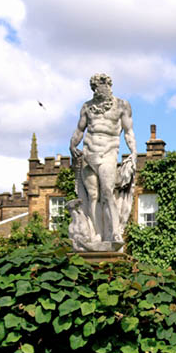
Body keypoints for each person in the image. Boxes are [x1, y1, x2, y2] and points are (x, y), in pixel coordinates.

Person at [69, 73, 137, 249]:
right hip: (88, 153)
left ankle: (114, 231)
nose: (100, 90)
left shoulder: (122, 105)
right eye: (96, 87)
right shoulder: (87, 107)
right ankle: (98, 234)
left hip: (108, 152)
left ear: (109, 85)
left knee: (107, 192)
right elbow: (79, 130)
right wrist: (72, 145)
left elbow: (128, 131)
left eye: (103, 86)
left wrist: (134, 152)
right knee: (93, 197)